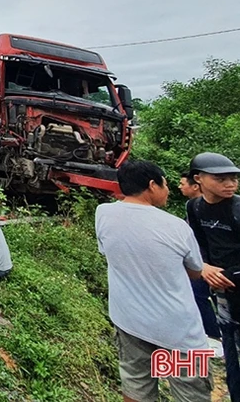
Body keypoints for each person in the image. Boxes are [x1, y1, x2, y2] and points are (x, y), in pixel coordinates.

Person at [97, 160, 211, 402]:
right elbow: (195, 272)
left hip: (129, 322)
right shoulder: (176, 227)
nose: (168, 190)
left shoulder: (103, 213)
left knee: (136, 388)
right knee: (190, 393)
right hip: (179, 332)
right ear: (152, 185)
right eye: (166, 184)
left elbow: (108, 251)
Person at [187, 152, 240, 400]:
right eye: (221, 179)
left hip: (232, 280)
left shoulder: (237, 209)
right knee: (229, 345)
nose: (230, 184)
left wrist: (228, 275)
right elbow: (199, 243)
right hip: (220, 289)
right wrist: (205, 267)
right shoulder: (195, 207)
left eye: (233, 179)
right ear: (199, 179)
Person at [180, 171, 224, 357]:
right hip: (201, 262)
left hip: (208, 264)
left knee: (201, 297)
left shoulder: (213, 210)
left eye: (183, 183)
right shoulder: (193, 207)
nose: (180, 186)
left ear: (196, 185)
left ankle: (214, 337)